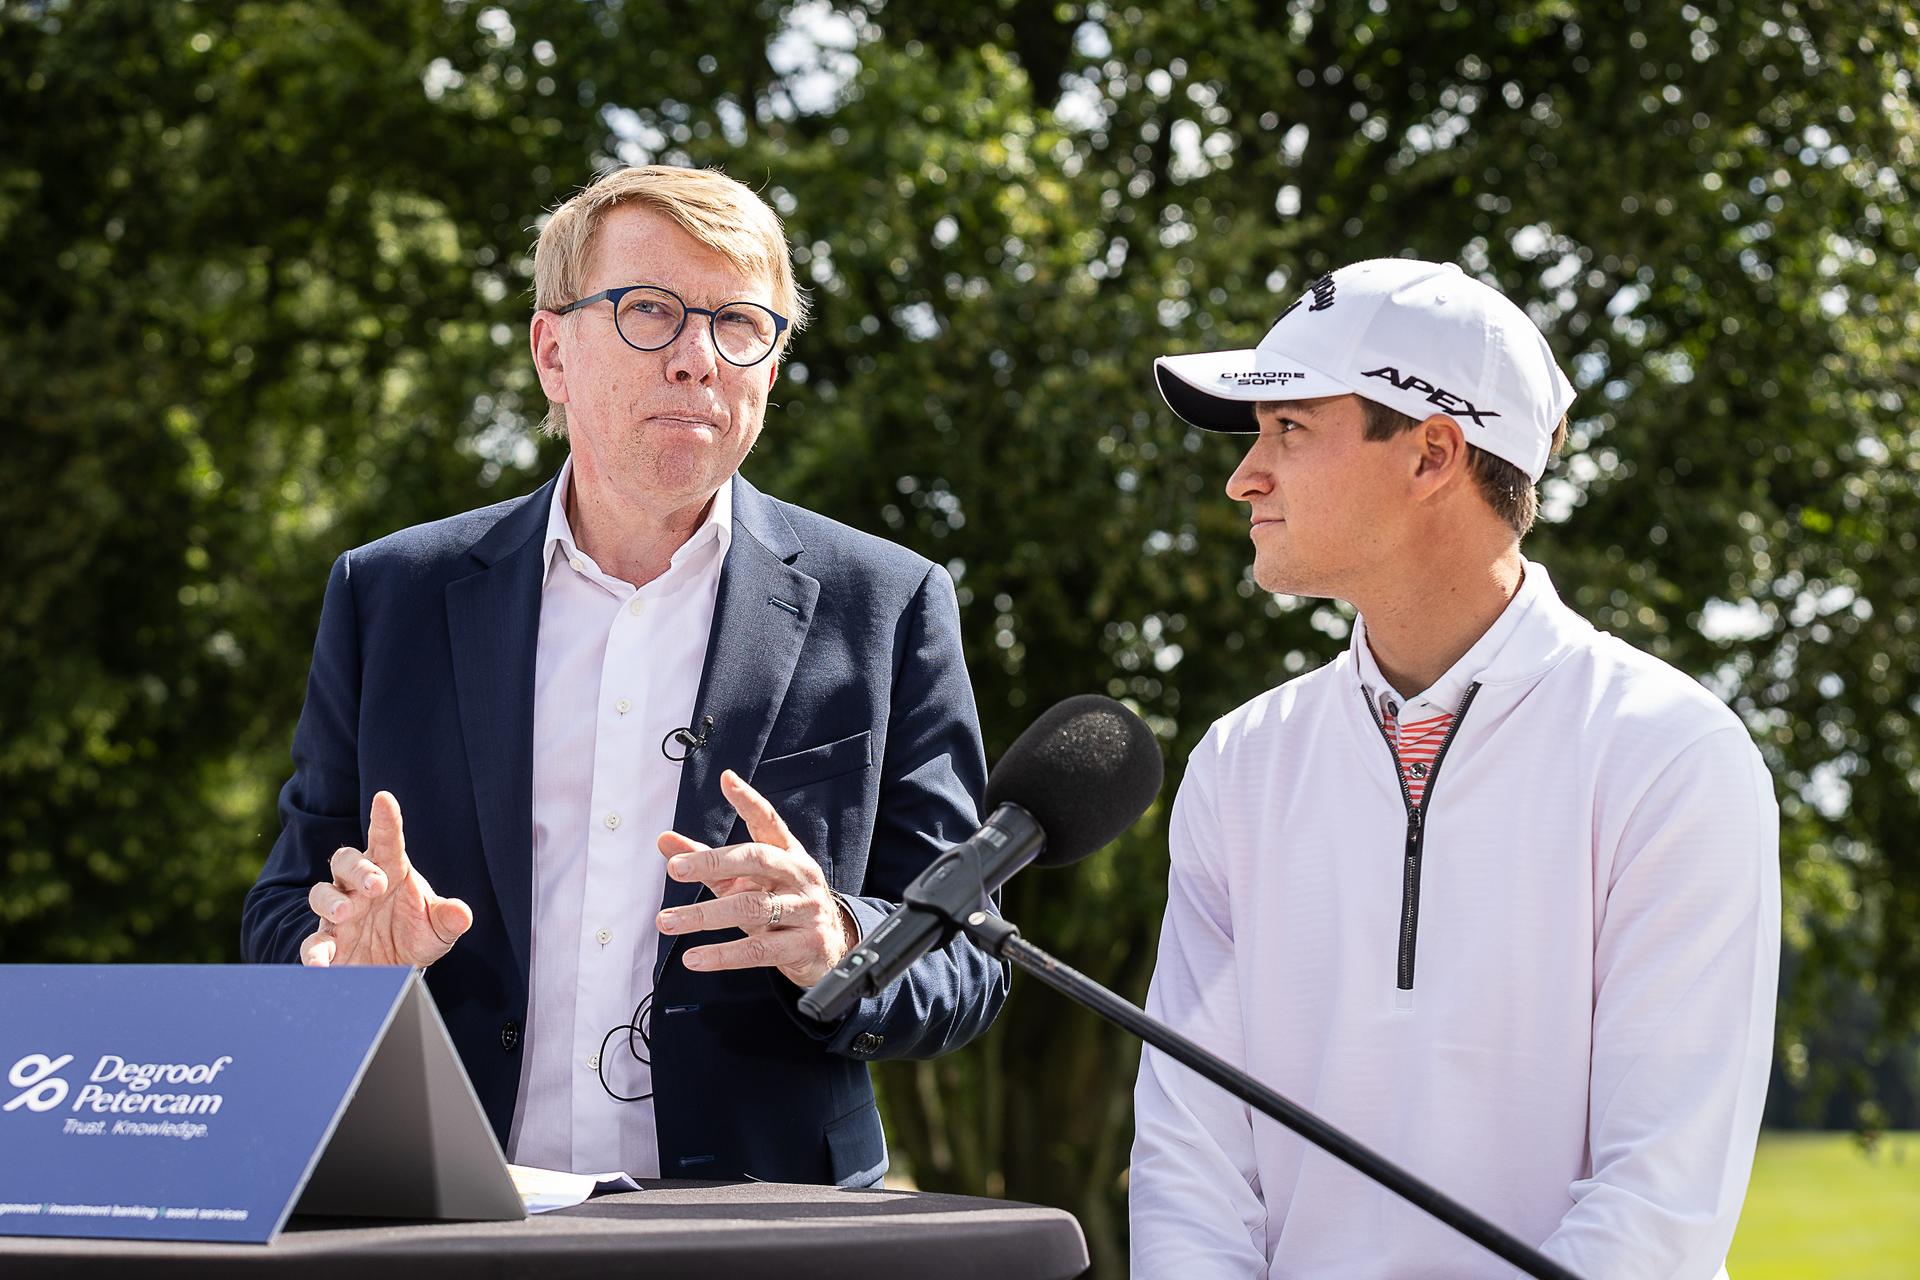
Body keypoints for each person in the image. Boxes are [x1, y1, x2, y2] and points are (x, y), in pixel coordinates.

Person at [241, 165, 1007, 1186]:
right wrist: (344, 960)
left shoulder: (888, 602)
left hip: (764, 1229)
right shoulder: (392, 596)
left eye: (740, 323)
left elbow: (970, 957)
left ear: (770, 368)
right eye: (650, 312)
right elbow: (287, 910)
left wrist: (840, 938)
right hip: (449, 1212)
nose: (697, 357)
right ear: (552, 351)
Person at [1130, 258, 1779, 1278]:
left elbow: (1660, 1197)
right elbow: (1190, 1165)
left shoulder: (1671, 752)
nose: (1243, 475)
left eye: (1289, 429)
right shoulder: (1240, 762)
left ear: (1433, 453)